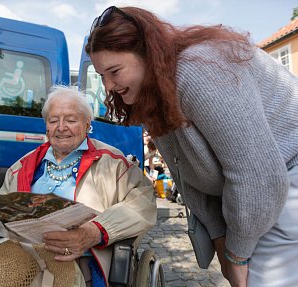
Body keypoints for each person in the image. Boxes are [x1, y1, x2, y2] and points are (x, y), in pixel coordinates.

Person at [86, 6, 298, 287]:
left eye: (114, 71)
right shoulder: (150, 94)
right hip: (260, 194)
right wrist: (220, 240)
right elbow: (186, 175)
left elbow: (257, 177)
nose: (108, 86)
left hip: (281, 182)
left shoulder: (199, 71)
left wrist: (236, 255)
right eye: (101, 75)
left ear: (147, 53)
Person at [0, 85, 157, 286]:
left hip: (76, 258)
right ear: (46, 126)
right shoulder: (22, 166)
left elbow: (142, 203)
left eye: (70, 120)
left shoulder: (112, 162)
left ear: (87, 125)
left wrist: (94, 231)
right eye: (53, 121)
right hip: (15, 255)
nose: (61, 127)